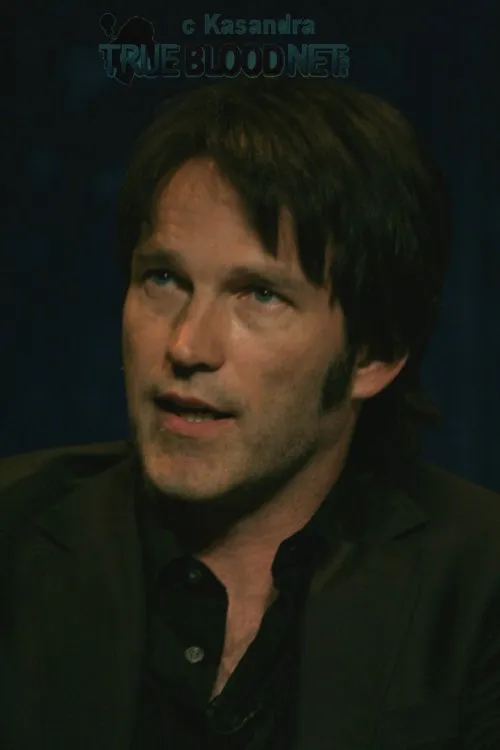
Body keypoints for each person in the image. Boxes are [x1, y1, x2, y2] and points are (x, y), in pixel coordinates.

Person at [1, 76, 499, 750]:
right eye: (163, 279)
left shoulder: (478, 588)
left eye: (260, 295)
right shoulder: (15, 536)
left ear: (373, 356)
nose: (186, 346)